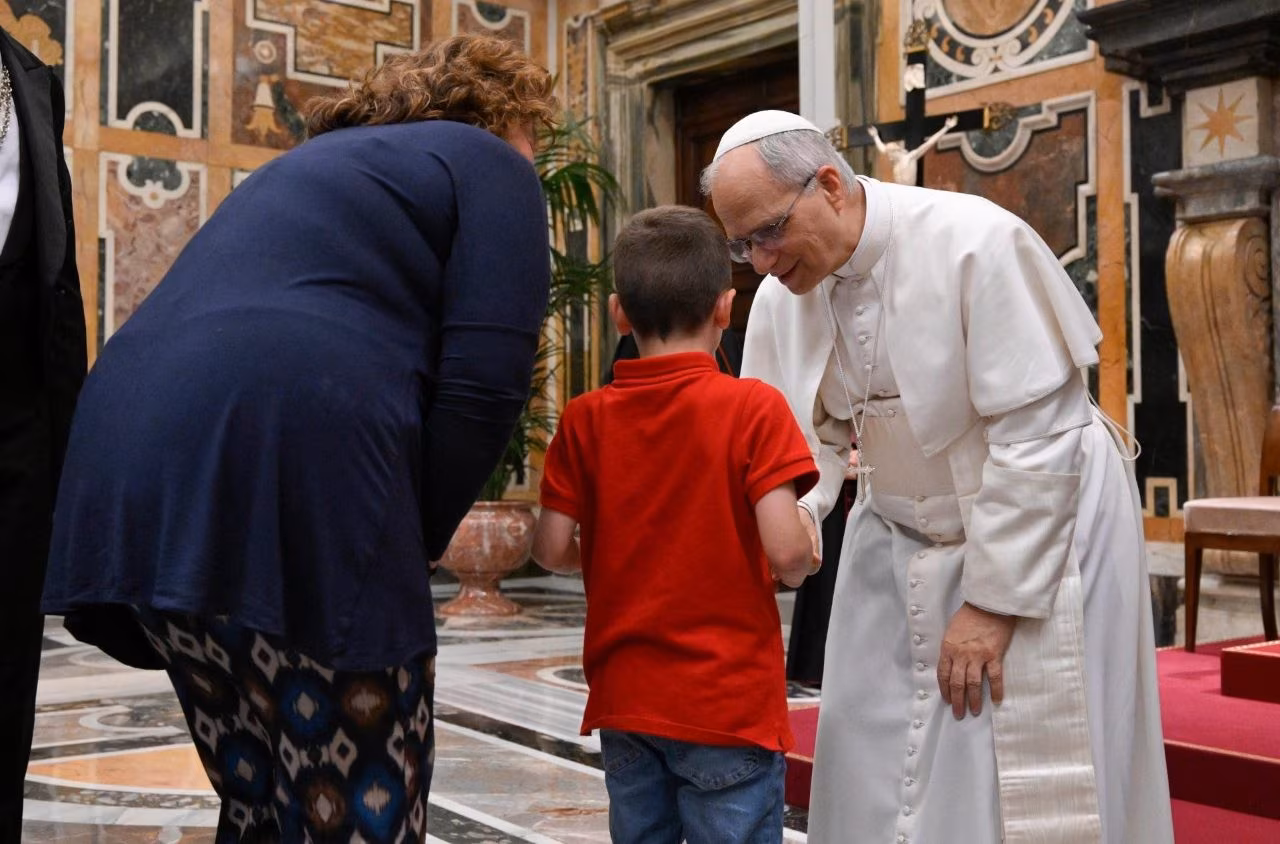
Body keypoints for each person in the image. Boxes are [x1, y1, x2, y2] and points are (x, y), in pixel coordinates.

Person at [42, 35, 554, 842]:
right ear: (501, 115)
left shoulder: (309, 166)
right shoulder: (490, 161)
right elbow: (486, 382)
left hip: (131, 454)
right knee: (357, 814)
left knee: (258, 805)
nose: (536, 159)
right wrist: (406, 542)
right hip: (297, 453)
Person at [702, 110, 1173, 843]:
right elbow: (798, 443)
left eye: (768, 232)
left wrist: (993, 602)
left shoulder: (975, 241)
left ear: (829, 185)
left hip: (1037, 520)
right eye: (741, 244)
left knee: (1017, 764)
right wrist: (797, 523)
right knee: (870, 741)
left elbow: (1036, 436)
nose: (759, 262)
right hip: (897, 524)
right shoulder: (784, 295)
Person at [531, 205, 820, 844]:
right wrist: (805, 549)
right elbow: (787, 554)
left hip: (626, 700)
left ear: (619, 314)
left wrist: (603, 551)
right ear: (725, 308)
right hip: (729, 704)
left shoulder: (584, 418)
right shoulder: (753, 407)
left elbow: (549, 549)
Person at [0, 27, 86, 840]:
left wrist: (72, 450)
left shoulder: (32, 79)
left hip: (19, 424)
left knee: (7, 667)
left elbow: (59, 278)